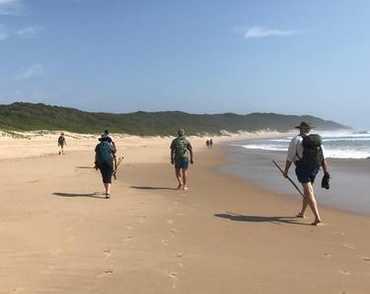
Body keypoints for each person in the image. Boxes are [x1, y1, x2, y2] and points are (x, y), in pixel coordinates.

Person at [283, 122, 330, 226]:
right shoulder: (317, 141)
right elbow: (323, 157)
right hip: (315, 168)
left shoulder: (296, 140)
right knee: (307, 191)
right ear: (309, 130)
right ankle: (302, 213)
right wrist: (326, 172)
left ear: (300, 129)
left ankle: (317, 217)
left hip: (302, 168)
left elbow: (290, 157)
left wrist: (286, 171)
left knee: (309, 192)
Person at [95, 133, 116, 198]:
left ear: (101, 140)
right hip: (109, 162)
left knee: (104, 177)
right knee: (109, 177)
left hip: (100, 163)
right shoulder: (109, 145)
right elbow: (114, 151)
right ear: (107, 139)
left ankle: (106, 191)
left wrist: (96, 163)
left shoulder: (98, 146)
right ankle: (108, 192)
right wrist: (113, 144)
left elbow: (96, 155)